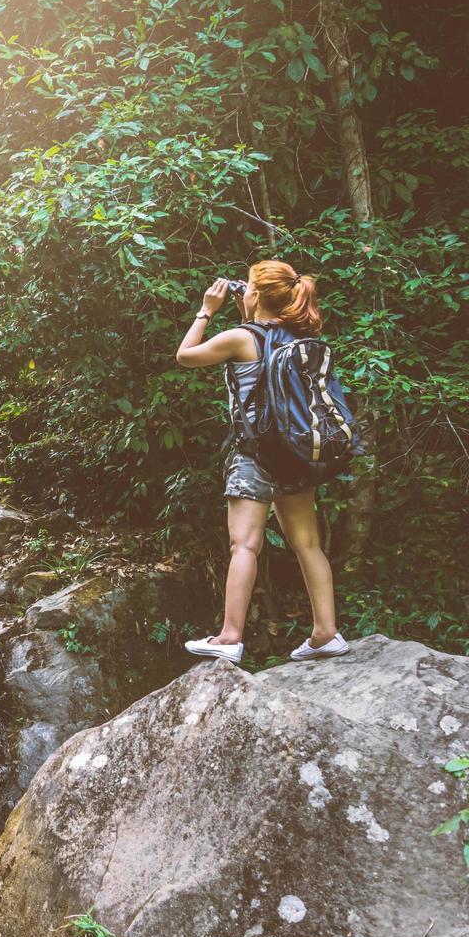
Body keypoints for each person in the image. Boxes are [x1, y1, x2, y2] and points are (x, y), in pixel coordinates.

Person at [173, 259, 350, 665]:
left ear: (255, 295)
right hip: (297, 452)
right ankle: (326, 633)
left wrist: (206, 310)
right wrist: (246, 309)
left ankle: (230, 637)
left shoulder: (238, 337)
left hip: (254, 455)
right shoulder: (298, 337)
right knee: (307, 543)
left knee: (245, 544)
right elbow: (262, 342)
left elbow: (185, 356)